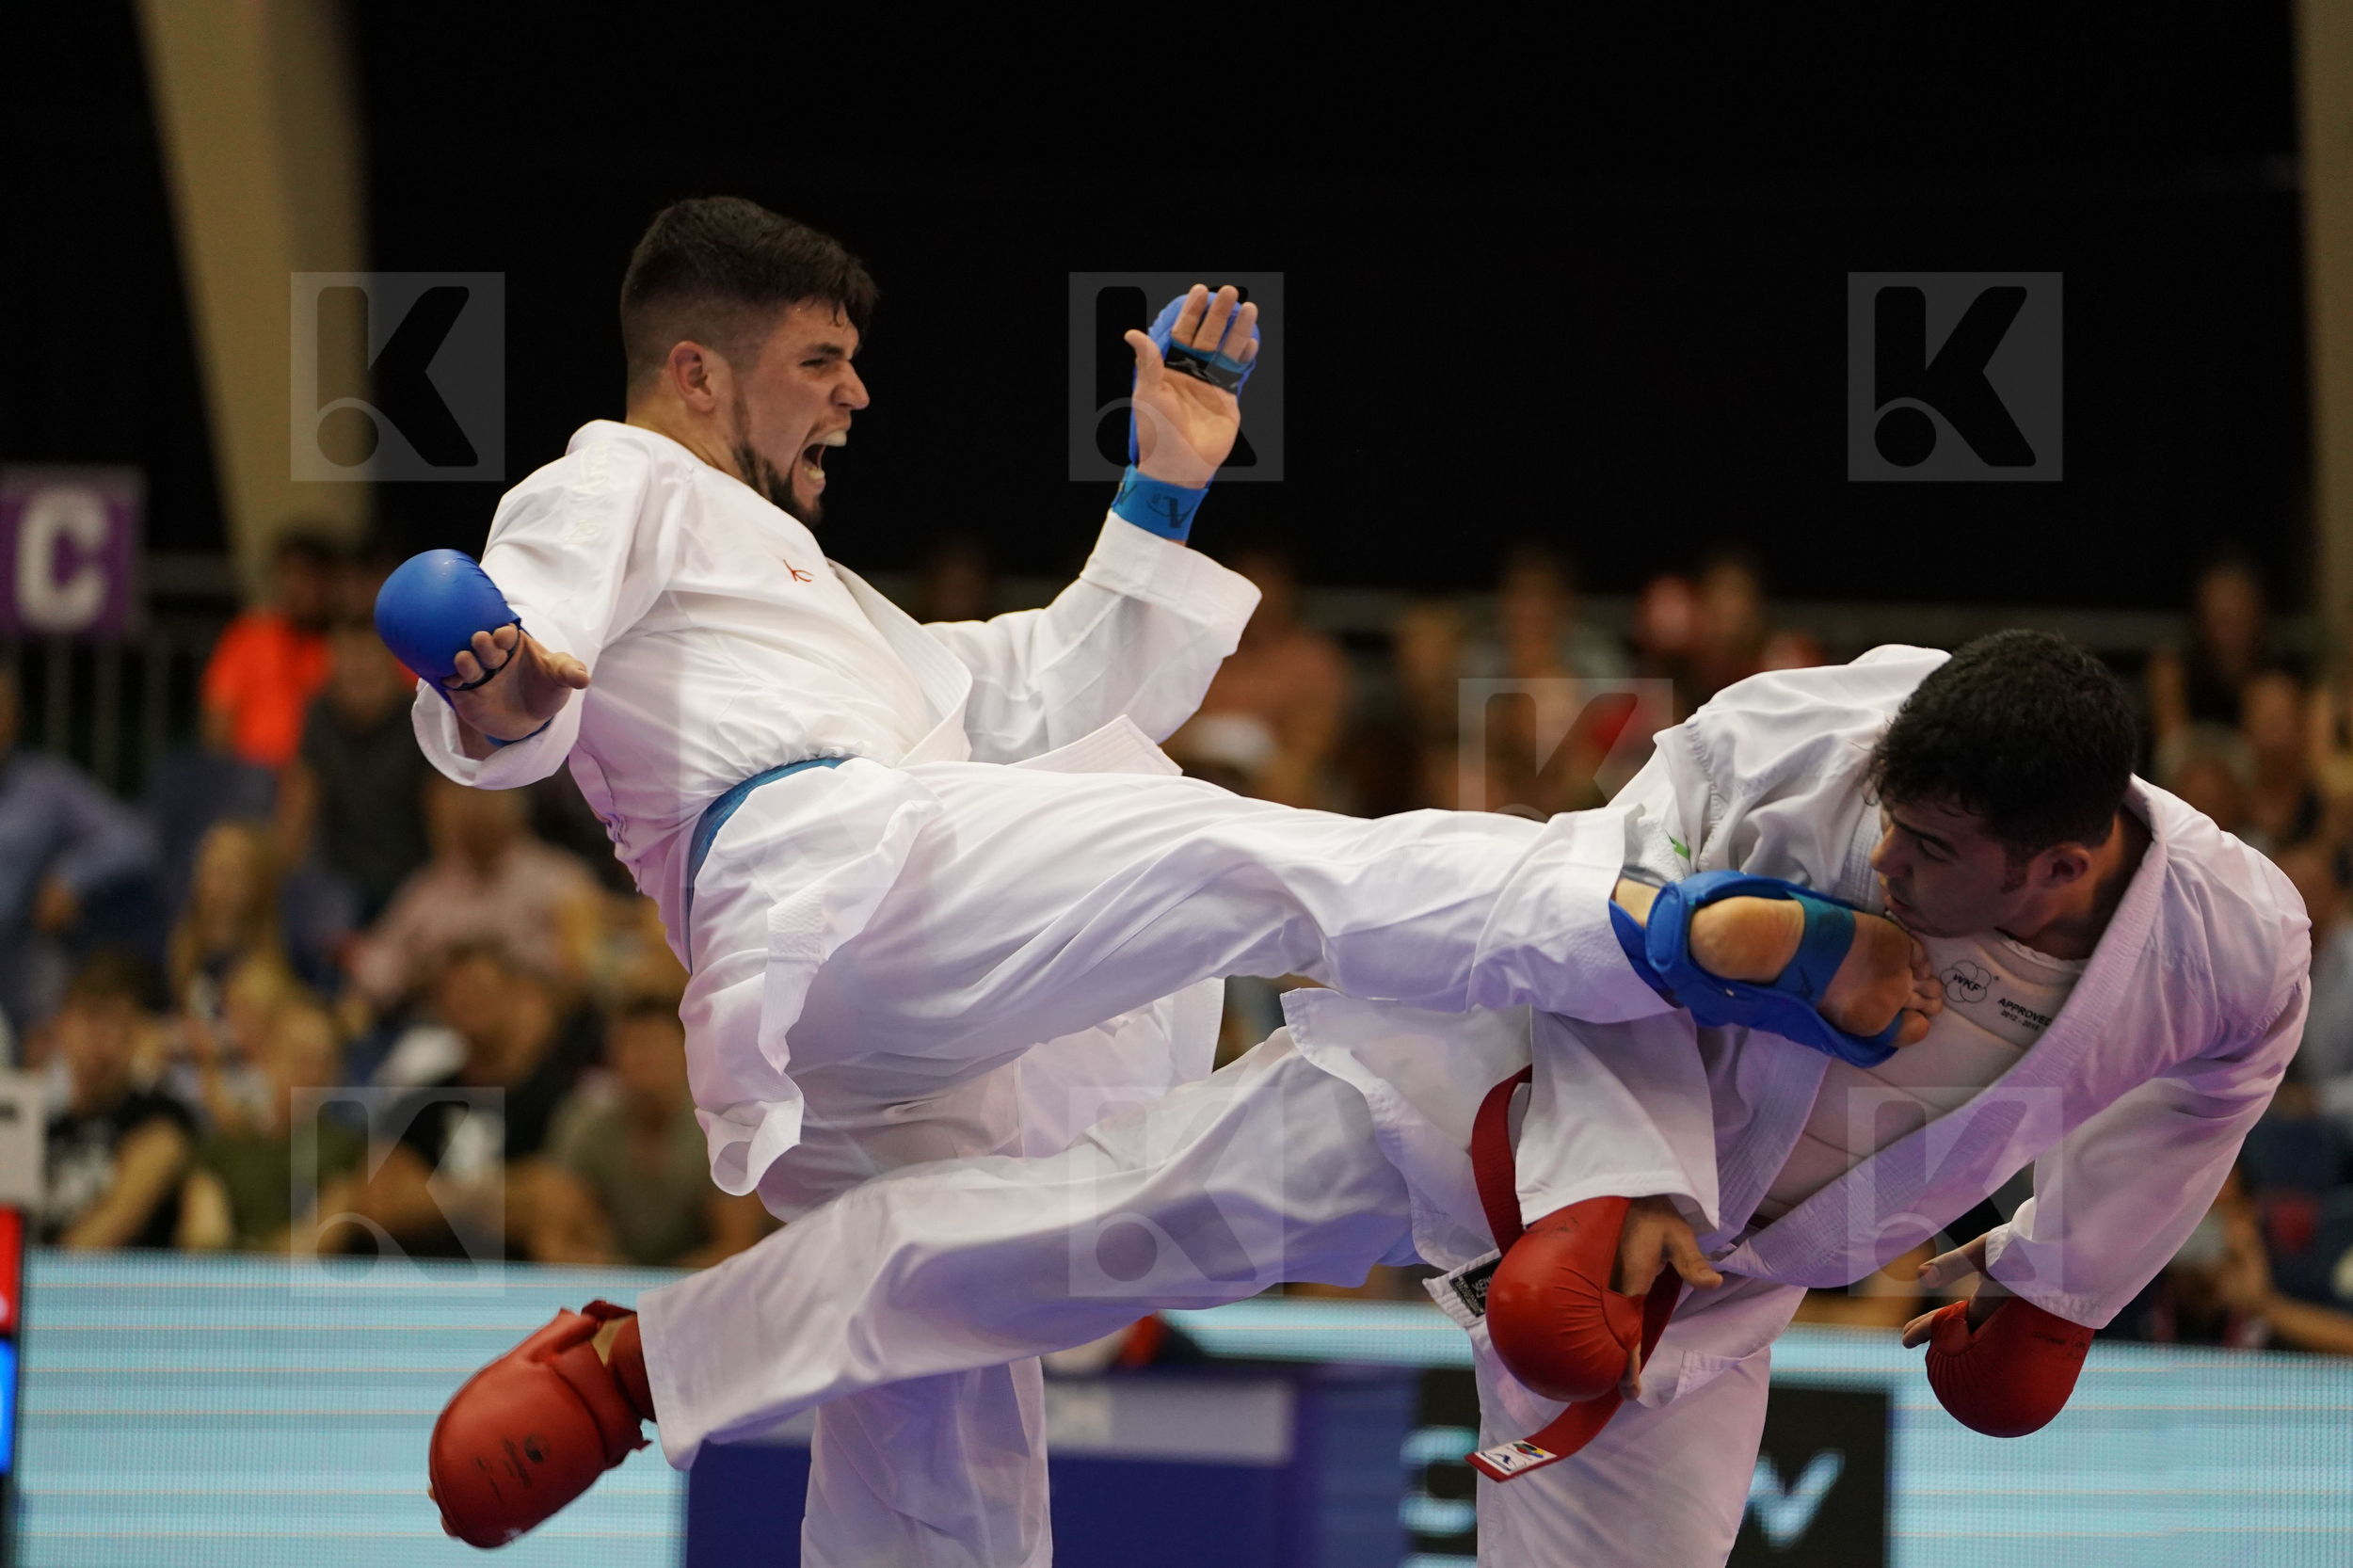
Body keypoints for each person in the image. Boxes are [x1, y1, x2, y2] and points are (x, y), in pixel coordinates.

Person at [412, 197, 1937, 1560]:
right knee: (1238, 855)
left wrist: (1161, 486)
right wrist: (498, 684)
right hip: (853, 879)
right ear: (696, 370)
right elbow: (519, 650)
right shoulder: (609, 478)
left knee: (942, 1395)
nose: (857, 395)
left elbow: (1037, 686)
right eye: (821, 360)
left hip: (841, 1003)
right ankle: (1656, 921)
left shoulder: (808, 596)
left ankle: (643, 1372)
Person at [437, 632, 2307, 1565]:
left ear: (2062, 870)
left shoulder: (2224, 938)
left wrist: (2057, 1282)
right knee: (1087, 1220)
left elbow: (2219, 1080)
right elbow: (1591, 905)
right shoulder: (1797, 752)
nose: (1887, 851)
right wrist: (1607, 1175)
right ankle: (641, 1364)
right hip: (1479, 1080)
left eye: (1940, 850)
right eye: (1892, 813)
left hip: (1693, 1309)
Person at [529, 995, 771, 1267]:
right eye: (634, 1046)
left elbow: (737, 1246)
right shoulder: (585, 1125)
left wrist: (658, 1291)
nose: (646, 1060)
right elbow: (553, 1239)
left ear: (688, 1056)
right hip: (613, 1283)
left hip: (696, 1290)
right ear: (612, 1058)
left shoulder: (722, 1131)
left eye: (657, 1046)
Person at [344, 775, 601, 1013]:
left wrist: (507, 973)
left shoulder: (560, 880)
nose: (471, 817)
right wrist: (414, 974)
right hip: (444, 1027)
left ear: (514, 816)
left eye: (482, 806)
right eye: (459, 813)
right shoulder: (431, 888)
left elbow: (589, 970)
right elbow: (375, 965)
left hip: (537, 1022)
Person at [0, 657, 159, 1038]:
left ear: (16, 722)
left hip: (19, 946)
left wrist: (70, 877)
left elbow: (134, 839)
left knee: (61, 1024)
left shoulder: (44, 787)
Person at [280, 618, 433, 923]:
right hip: (335, 882)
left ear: (391, 667)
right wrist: (281, 878)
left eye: (367, 664)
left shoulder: (420, 717)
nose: (357, 669)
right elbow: (299, 806)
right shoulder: (320, 715)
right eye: (348, 662)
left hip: (411, 881)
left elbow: (444, 817)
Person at [40, 952, 195, 1250]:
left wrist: (34, 1279)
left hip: (112, 1289)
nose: (106, 1040)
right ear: (62, 1026)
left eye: (121, 1023)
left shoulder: (160, 1118)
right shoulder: (44, 1131)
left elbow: (117, 1220)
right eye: (92, 1017)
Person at [200, 530, 339, 771]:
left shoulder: (346, 644)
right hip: (250, 772)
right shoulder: (248, 635)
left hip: (322, 776)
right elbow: (218, 717)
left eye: (308, 576)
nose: (298, 587)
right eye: (289, 575)